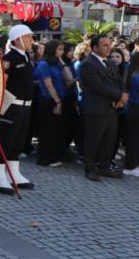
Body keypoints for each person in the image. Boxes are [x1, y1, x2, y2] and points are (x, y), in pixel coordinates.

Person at [0, 25, 36, 194]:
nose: (31, 40)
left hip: (25, 106)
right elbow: (1, 83)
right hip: (12, 106)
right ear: (17, 39)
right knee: (6, 142)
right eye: (28, 37)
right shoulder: (9, 58)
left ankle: (13, 174)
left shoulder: (25, 57)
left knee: (18, 142)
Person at [79, 35, 128, 181]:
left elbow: (119, 81)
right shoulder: (88, 64)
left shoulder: (110, 63)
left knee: (109, 140)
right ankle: (90, 169)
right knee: (93, 140)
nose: (108, 48)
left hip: (112, 109)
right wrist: (119, 95)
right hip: (96, 109)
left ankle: (104, 168)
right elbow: (97, 86)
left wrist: (122, 96)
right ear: (94, 48)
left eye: (109, 44)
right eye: (105, 45)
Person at [34, 41, 67, 167]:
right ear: (52, 50)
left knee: (55, 129)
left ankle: (52, 156)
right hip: (48, 100)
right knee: (47, 129)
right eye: (59, 49)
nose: (62, 52)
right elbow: (48, 84)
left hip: (58, 98)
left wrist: (62, 62)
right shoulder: (43, 64)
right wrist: (57, 101)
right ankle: (44, 158)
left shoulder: (57, 63)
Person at [123, 54, 139, 177]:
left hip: (134, 108)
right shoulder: (135, 76)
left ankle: (133, 164)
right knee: (134, 138)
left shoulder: (132, 73)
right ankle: (130, 166)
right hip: (135, 108)